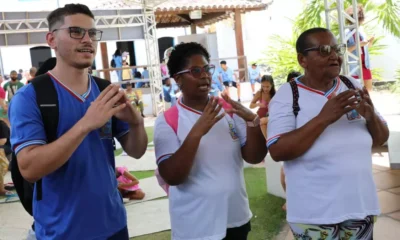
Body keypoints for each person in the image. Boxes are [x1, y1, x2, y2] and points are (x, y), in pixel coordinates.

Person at [9, 4, 148, 239]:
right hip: (61, 231)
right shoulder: (31, 96)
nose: (87, 39)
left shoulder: (106, 91)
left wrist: (136, 123)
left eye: (92, 33)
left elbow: (137, 151)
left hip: (114, 226)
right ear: (51, 39)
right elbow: (29, 169)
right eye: (76, 31)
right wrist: (86, 124)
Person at [267, 27, 389, 239]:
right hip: (313, 215)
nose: (334, 56)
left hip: (359, 207)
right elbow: (278, 150)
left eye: (336, 49)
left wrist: (371, 117)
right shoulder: (288, 95)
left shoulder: (352, 85)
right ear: (302, 60)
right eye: (324, 50)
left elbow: (381, 138)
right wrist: (323, 118)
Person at [154, 42, 268, 240]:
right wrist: (197, 132)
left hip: (236, 218)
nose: (205, 75)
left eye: (207, 69)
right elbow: (173, 176)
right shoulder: (168, 120)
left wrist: (252, 122)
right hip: (195, 226)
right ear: (178, 79)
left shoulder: (229, 110)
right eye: (195, 71)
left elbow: (254, 156)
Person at [346, 4, 374, 92]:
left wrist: (370, 41)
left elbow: (366, 48)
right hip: (354, 66)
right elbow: (344, 51)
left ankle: (367, 105)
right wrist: (359, 44)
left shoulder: (361, 31)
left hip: (365, 65)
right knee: (356, 92)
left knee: (368, 90)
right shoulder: (346, 33)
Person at [249, 75, 276, 139]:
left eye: (267, 86)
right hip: (260, 117)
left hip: (271, 118)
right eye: (263, 86)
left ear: (272, 85)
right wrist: (258, 104)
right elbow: (251, 105)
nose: (265, 89)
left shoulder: (275, 94)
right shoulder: (259, 93)